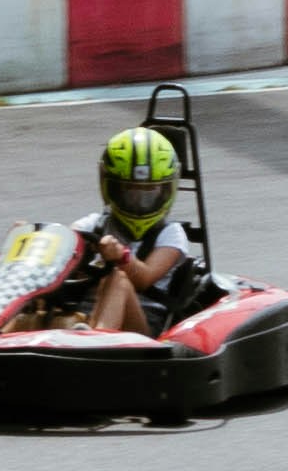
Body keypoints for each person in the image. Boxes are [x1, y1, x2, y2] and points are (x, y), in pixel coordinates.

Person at [79, 122, 200, 335]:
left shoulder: (171, 234)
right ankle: (2, 338)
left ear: (165, 190)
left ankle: (95, 341)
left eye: (149, 192)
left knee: (119, 279)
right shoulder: (94, 225)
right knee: (40, 299)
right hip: (86, 313)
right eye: (129, 190)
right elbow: (64, 247)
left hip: (143, 328)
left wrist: (121, 255)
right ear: (111, 187)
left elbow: (144, 279)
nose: (140, 201)